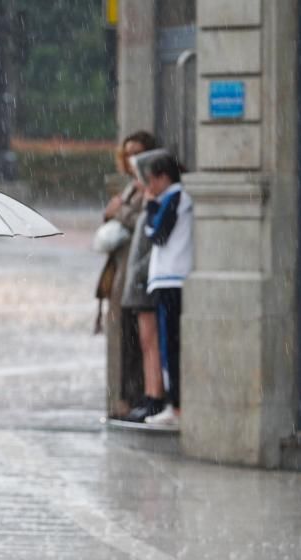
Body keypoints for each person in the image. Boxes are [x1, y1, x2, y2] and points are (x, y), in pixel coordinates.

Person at [113, 133, 168, 422]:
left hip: (147, 276)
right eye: (128, 153)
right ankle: (143, 397)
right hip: (131, 273)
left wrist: (120, 211)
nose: (131, 160)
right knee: (140, 342)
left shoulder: (160, 195)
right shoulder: (134, 189)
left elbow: (150, 230)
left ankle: (153, 398)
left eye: (138, 154)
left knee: (150, 341)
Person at [141, 152, 193, 427]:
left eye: (152, 180)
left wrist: (149, 207)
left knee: (170, 344)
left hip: (172, 279)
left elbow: (157, 233)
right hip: (169, 279)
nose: (150, 186)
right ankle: (176, 405)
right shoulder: (174, 197)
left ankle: (178, 407)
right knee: (168, 344)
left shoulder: (175, 197)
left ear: (163, 177)